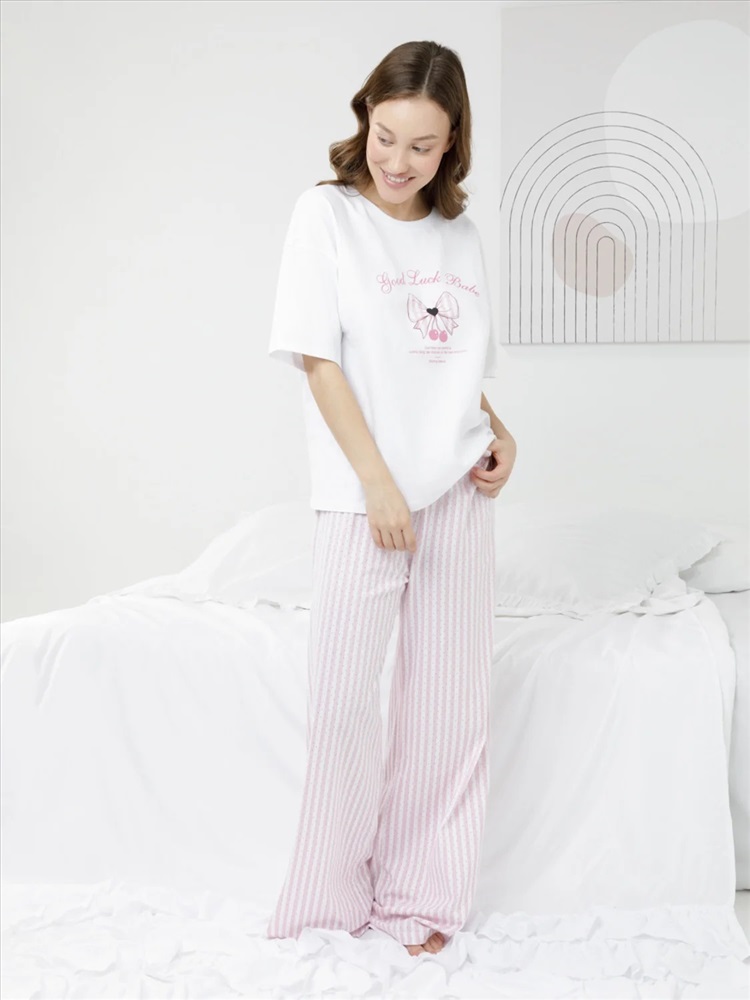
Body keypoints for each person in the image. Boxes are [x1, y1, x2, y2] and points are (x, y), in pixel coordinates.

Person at [265, 39, 517, 957]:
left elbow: (452, 368)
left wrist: (501, 433)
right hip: (362, 495)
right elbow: (319, 359)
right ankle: (326, 903)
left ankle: (421, 900)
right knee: (341, 705)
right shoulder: (325, 216)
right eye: (386, 137)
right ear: (364, 119)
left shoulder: (459, 236)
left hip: (458, 492)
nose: (399, 161)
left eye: (422, 145)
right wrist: (377, 484)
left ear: (452, 146)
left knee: (447, 713)